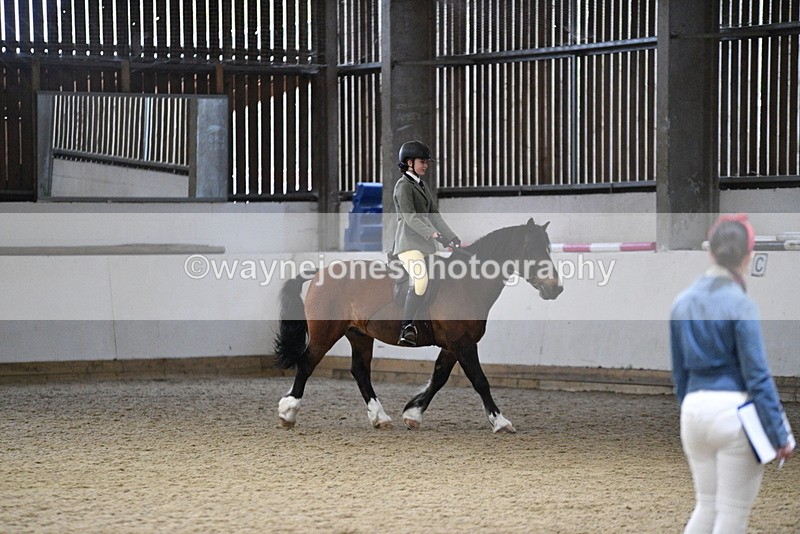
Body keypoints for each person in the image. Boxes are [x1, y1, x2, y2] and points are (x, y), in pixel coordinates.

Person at [670, 213, 795, 534]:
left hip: (694, 414)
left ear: (710, 252)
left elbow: (680, 375)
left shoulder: (681, 303)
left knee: (706, 506)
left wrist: (692, 408)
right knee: (732, 515)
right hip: (733, 415)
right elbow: (757, 376)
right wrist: (779, 435)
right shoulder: (741, 304)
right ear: (748, 256)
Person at [392, 140, 460, 347]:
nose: (426, 165)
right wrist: (432, 233)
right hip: (408, 245)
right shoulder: (402, 186)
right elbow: (410, 217)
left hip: (427, 245)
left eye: (426, 162)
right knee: (421, 280)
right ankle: (407, 327)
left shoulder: (422, 185)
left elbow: (434, 214)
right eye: (423, 162)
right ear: (409, 162)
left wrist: (451, 236)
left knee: (444, 274)